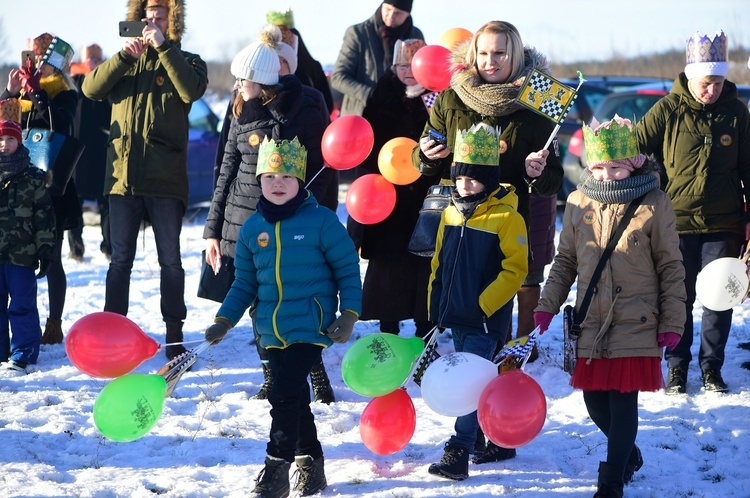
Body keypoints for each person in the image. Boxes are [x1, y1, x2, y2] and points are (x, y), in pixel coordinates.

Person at [412, 19, 563, 464]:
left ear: (515, 56)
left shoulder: (536, 101)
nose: (490, 62)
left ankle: (486, 429)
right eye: (483, 53)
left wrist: (540, 170)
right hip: (459, 224)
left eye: (500, 54)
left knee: (493, 328)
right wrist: (428, 154)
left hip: (509, 219)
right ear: (472, 54)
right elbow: (427, 154)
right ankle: (484, 428)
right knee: (470, 334)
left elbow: (553, 175)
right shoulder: (452, 96)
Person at [534, 116, 686, 497]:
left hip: (637, 318)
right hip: (592, 318)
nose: (606, 176)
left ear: (634, 163)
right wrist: (547, 304)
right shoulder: (577, 201)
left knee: (622, 402)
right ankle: (628, 454)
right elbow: (566, 260)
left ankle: (612, 479)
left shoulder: (654, 202)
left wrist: (673, 321)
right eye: (598, 167)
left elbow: (670, 266)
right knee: (595, 402)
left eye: (615, 167)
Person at [203, 136, 362, 498]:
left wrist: (350, 313)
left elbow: (347, 269)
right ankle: (312, 464)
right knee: (292, 396)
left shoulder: (321, 221)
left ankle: (275, 470)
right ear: (259, 180)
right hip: (270, 330)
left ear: (300, 182)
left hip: (311, 323)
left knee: (283, 392)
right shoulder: (251, 229)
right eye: (270, 177)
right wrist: (224, 320)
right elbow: (244, 284)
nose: (278, 184)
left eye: (287, 177)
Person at [203, 25, 337, 403]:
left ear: (261, 82)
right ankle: (271, 375)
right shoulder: (240, 109)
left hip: (293, 222)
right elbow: (225, 171)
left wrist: (313, 220)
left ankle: (316, 372)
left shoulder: (305, 108)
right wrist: (212, 230)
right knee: (257, 306)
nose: (237, 86)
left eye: (243, 80)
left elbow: (322, 172)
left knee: (292, 302)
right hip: (242, 223)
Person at [82, 0, 208, 360]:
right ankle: (111, 332)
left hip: (165, 178)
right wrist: (124, 57)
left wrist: (164, 48)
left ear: (172, 21)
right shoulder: (126, 59)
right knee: (120, 260)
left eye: (160, 16)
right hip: (122, 179)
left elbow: (190, 91)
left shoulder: (189, 60)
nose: (152, 20)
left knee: (170, 261)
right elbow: (91, 89)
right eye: (147, 15)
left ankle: (174, 335)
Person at [636, 30, 750, 394]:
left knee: (719, 299)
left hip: (724, 222)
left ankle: (711, 368)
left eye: (717, 81)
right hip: (676, 222)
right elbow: (634, 146)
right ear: (690, 77)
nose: (711, 90)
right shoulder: (668, 108)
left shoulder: (736, 112)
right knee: (678, 297)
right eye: (705, 82)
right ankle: (677, 366)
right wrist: (644, 172)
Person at [427, 123, 528, 481]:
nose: (464, 185)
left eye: (473, 178)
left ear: (489, 179)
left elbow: (515, 270)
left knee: (469, 383)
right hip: (455, 314)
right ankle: (496, 441)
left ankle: (458, 451)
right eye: (459, 177)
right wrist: (436, 301)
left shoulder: (507, 217)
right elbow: (439, 260)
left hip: (484, 319)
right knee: (479, 380)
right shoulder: (451, 212)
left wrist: (483, 305)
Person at [2, 33, 82, 347]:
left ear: (58, 66)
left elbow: (58, 125)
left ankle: (54, 322)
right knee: (16, 261)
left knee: (53, 258)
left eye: (45, 61)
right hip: (19, 192)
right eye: (36, 60)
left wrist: (38, 94)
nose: (39, 66)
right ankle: (21, 327)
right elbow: (4, 129)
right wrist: (9, 92)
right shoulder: (20, 95)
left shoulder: (65, 93)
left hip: (51, 189)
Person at [359, 38, 437, 337]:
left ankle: (425, 327)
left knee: (423, 263)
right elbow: (365, 142)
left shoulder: (436, 99)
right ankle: (387, 325)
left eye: (413, 65)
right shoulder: (382, 95)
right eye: (402, 64)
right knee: (389, 266)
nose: (407, 71)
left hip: (424, 194)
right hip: (387, 195)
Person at [0, 103, 56, 375]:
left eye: (10, 138)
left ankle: (23, 352)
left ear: (19, 141)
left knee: (22, 304)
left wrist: (46, 250)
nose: (4, 144)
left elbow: (44, 217)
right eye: (0, 139)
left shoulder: (33, 177)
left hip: (21, 255)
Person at [330, 0, 423, 117]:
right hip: (361, 116)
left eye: (397, 13)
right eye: (388, 9)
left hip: (401, 117)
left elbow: (420, 76)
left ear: (408, 14)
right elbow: (338, 77)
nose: (391, 16)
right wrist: (373, 95)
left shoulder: (415, 36)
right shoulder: (358, 33)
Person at [66, 44, 112, 265]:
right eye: (89, 61)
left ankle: (109, 246)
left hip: (102, 151)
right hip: (77, 153)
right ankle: (76, 248)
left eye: (97, 61)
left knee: (107, 202)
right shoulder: (73, 83)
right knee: (75, 201)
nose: (92, 65)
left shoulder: (107, 84)